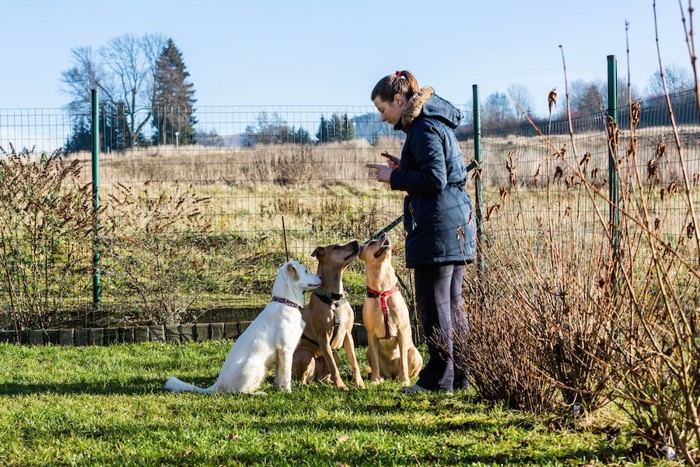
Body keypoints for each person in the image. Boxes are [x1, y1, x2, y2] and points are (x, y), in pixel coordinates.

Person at [366, 70, 475, 393]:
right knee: (453, 304)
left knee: (435, 305)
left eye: (383, 110)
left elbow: (434, 180)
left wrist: (393, 178)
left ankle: (438, 380)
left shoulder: (424, 128)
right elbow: (435, 172)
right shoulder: (431, 123)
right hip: (453, 222)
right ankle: (460, 377)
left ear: (399, 100)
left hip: (438, 227)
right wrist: (406, 168)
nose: (384, 118)